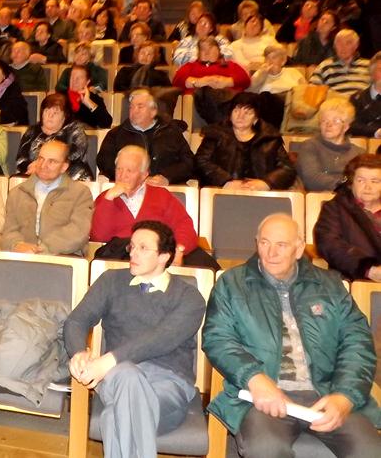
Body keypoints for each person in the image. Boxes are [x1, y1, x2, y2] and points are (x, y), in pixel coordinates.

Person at [202, 213, 381, 457]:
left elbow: (357, 343)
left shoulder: (329, 285)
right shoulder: (232, 284)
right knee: (266, 449)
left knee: (370, 451)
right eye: (264, 243)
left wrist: (345, 396)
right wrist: (255, 379)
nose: (271, 253)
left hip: (326, 393)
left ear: (298, 249)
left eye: (281, 245)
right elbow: (218, 338)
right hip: (264, 398)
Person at [64, 220, 206, 458]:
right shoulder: (111, 281)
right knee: (127, 374)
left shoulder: (190, 297)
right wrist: (78, 351)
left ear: (164, 256)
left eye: (143, 247)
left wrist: (111, 359)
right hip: (116, 378)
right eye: (132, 247)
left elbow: (162, 338)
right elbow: (76, 320)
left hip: (168, 385)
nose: (133, 253)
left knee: (113, 418)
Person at [90, 146, 200, 261]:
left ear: (144, 175)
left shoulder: (162, 196)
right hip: (118, 260)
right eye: (119, 169)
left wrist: (179, 249)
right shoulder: (105, 198)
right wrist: (108, 199)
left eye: (129, 171)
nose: (122, 175)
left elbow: (184, 226)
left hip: (157, 260)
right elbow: (98, 238)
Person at [2, 140, 93, 255]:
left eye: (52, 161)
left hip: (65, 258)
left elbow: (78, 232)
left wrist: (43, 249)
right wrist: (17, 245)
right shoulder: (17, 193)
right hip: (24, 257)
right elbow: (9, 231)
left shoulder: (80, 193)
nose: (43, 165)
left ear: (64, 167)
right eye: (41, 159)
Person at [196, 92, 296, 190]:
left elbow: (287, 168)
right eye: (236, 111)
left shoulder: (270, 137)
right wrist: (225, 181)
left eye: (247, 112)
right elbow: (201, 161)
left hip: (260, 194)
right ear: (230, 114)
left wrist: (266, 183)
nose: (240, 116)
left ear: (255, 118)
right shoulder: (215, 133)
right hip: (223, 191)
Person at [97, 88, 195, 185]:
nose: (134, 111)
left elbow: (189, 163)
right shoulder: (116, 134)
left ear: (153, 111)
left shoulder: (171, 132)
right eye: (131, 107)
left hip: (165, 189)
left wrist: (167, 177)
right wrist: (135, 178)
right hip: (128, 189)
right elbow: (104, 162)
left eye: (140, 107)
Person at [314, 154, 381, 281]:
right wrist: (368, 270)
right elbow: (329, 244)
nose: (368, 187)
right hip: (355, 280)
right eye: (361, 180)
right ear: (351, 183)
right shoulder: (335, 208)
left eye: (374, 181)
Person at [15, 93, 94, 180]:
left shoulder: (74, 130)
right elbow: (21, 159)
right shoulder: (32, 131)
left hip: (69, 178)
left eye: (55, 113)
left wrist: (43, 166)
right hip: (34, 177)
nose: (50, 116)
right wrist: (31, 166)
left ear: (65, 116)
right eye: (46, 111)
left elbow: (75, 155)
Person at [295, 98, 364, 192]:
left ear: (346, 127)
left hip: (352, 201)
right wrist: (343, 186)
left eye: (335, 121)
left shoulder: (359, 153)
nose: (329, 125)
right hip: (318, 201)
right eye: (324, 120)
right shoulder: (309, 146)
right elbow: (312, 179)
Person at [309, 29, 370, 95]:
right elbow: (312, 89)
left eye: (348, 43)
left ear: (356, 46)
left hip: (361, 102)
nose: (343, 47)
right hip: (335, 102)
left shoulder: (369, 65)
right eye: (339, 43)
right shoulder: (324, 65)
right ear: (335, 46)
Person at [348, 51, 381, 138]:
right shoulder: (357, 99)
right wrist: (376, 132)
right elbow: (352, 125)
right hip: (363, 147)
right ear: (371, 73)